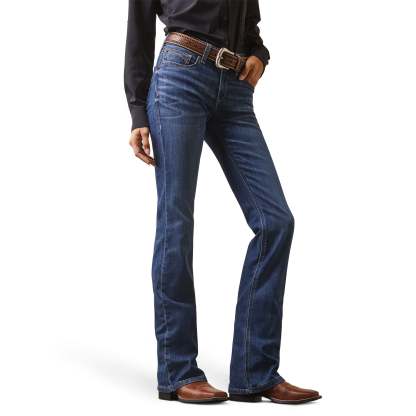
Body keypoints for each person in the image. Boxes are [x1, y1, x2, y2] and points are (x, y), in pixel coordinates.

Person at [124, 0, 321, 404]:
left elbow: (250, 24)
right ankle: (178, 371)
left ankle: (255, 371)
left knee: (275, 221)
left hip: (234, 89)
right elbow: (139, 28)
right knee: (177, 222)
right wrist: (138, 112)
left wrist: (259, 55)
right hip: (180, 76)